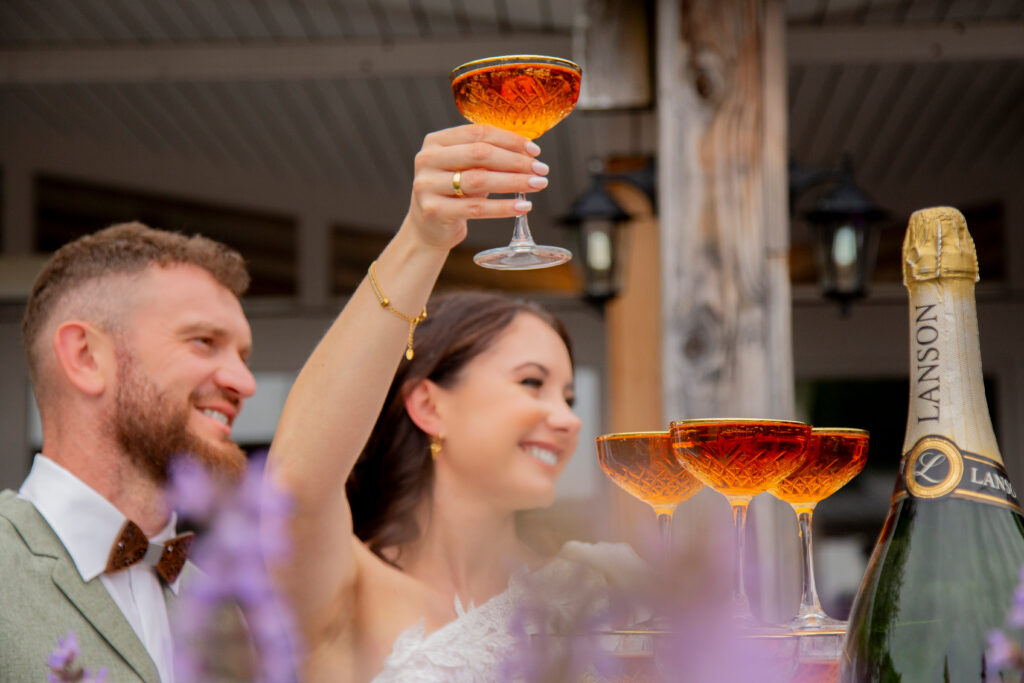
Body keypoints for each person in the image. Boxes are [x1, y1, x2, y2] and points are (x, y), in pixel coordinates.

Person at [267, 124, 647, 682]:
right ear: (429, 405)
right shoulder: (346, 588)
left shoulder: (599, 585)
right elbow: (295, 487)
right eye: (530, 383)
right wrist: (422, 238)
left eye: (568, 396)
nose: (566, 419)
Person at [0, 223, 257, 681]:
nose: (244, 383)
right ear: (85, 356)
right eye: (204, 341)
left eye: (243, 355)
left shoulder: (221, 612)